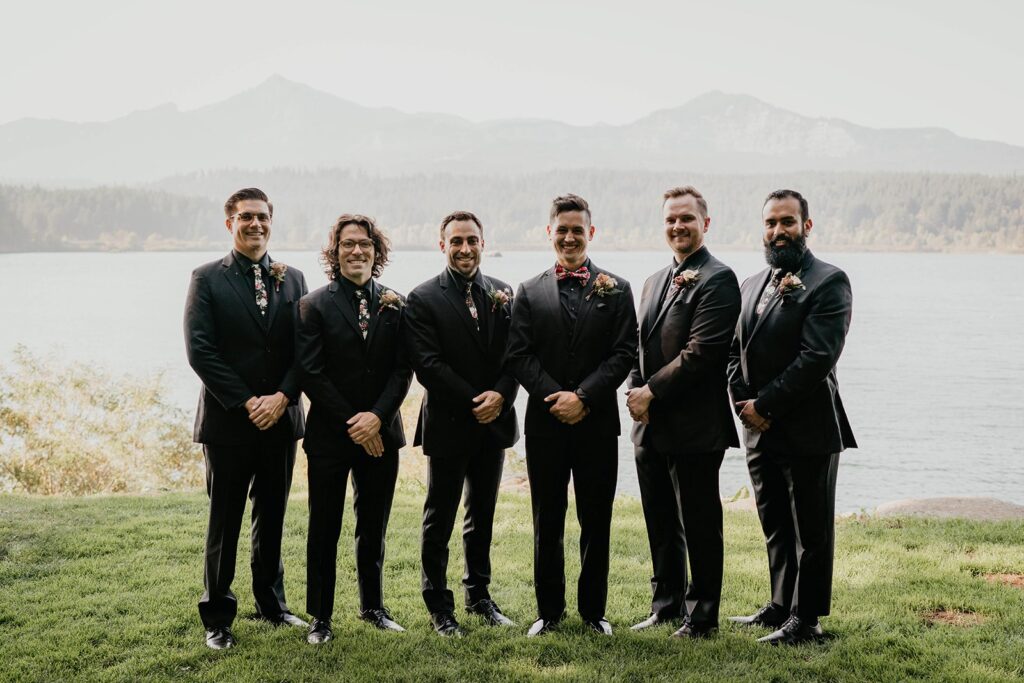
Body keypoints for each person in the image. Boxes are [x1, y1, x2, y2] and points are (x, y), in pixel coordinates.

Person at [727, 189, 856, 645]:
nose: (778, 231)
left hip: (808, 427)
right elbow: (734, 351)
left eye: (787, 222)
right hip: (758, 430)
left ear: (807, 225)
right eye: (770, 223)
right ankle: (780, 605)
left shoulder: (828, 281)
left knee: (811, 530)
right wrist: (743, 402)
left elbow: (816, 357)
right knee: (775, 523)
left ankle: (807, 620)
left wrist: (766, 405)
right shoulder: (751, 284)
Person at [506, 193, 638, 637]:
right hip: (545, 425)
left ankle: (593, 612)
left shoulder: (617, 289)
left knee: (595, 519)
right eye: (561, 229)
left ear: (590, 233)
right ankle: (549, 611)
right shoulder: (527, 290)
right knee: (547, 518)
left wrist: (583, 397)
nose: (568, 237)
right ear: (549, 233)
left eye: (577, 230)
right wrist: (556, 398)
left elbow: (624, 354)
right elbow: (519, 356)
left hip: (597, 423)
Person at [184, 187, 309, 650]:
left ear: (271, 221)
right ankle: (217, 616)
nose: (255, 224)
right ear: (229, 223)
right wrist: (246, 401)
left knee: (272, 513)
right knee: (225, 518)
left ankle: (272, 605)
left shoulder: (293, 278)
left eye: (262, 217)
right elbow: (201, 349)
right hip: (228, 422)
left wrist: (282, 397)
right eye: (245, 217)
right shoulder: (207, 278)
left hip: (281, 418)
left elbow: (306, 349)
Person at [625, 186, 741, 638]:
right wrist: (637, 392)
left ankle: (703, 614)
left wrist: (651, 391)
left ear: (704, 224)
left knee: (698, 522)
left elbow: (703, 352)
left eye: (687, 219)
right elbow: (638, 345)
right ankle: (666, 604)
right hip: (650, 425)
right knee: (659, 519)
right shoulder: (655, 281)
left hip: (695, 425)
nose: (678, 226)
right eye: (671, 219)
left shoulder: (718, 278)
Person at [296, 214, 413, 645]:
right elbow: (311, 373)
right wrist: (355, 422)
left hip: (383, 434)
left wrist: (377, 418)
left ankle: (373, 607)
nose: (357, 251)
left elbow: (403, 370)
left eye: (365, 244)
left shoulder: (396, 303)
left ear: (376, 252)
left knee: (374, 524)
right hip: (331, 435)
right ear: (335, 252)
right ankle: (320, 618)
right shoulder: (312, 305)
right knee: (324, 525)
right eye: (348, 244)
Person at [405, 211, 520, 636]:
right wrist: (477, 400)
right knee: (440, 517)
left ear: (483, 242)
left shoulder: (504, 293)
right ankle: (439, 605)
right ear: (443, 246)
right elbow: (428, 366)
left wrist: (503, 395)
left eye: (472, 240)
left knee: (482, 515)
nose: (465, 248)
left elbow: (516, 355)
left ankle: (479, 595)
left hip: (494, 423)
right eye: (456, 241)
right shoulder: (422, 298)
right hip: (451, 422)